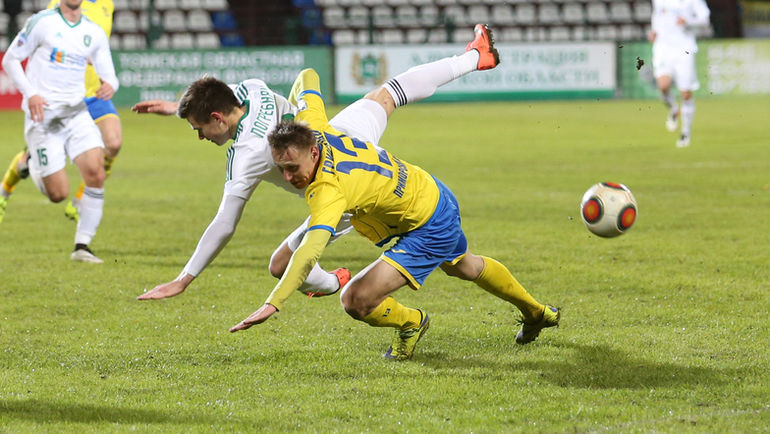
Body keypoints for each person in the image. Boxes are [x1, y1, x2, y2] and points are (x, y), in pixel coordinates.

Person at [135, 24, 501, 301]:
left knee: (280, 267)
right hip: (340, 138)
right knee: (387, 94)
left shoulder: (244, 157)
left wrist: (184, 278)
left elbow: (224, 223)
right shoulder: (251, 89)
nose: (201, 137)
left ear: (217, 117)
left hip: (335, 188)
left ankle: (335, 281)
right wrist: (177, 108)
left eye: (199, 128)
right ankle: (474, 57)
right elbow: (218, 94)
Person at [229, 68, 560, 361]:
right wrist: (292, 124)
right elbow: (308, 76)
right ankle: (537, 312)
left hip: (427, 224)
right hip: (429, 191)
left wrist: (274, 303)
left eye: (292, 168)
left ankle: (411, 322)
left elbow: (308, 253)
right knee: (465, 265)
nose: (288, 178)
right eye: (281, 169)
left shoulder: (329, 191)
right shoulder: (314, 128)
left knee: (355, 299)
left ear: (313, 152)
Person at [1, 0, 118, 262]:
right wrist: (31, 94)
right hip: (43, 116)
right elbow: (10, 59)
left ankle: (82, 246)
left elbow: (110, 74)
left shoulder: (93, 32)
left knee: (96, 173)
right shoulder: (42, 22)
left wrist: (110, 85)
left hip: (76, 114)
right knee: (57, 194)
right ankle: (30, 161)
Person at [648, 0, 710, 148]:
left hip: (684, 48)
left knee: (686, 94)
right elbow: (656, 16)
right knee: (663, 85)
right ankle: (674, 109)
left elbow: (705, 20)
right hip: (662, 47)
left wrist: (688, 21)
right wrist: (654, 31)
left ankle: (685, 132)